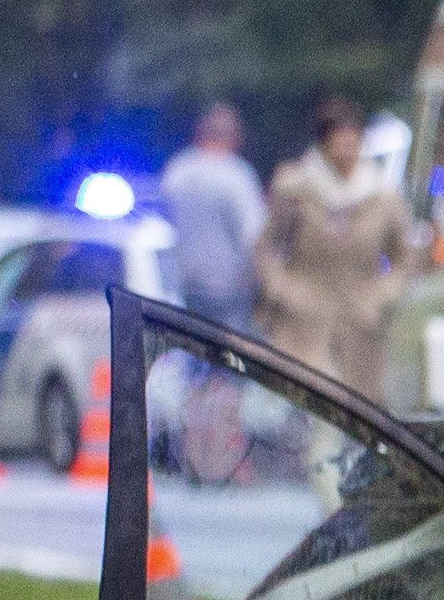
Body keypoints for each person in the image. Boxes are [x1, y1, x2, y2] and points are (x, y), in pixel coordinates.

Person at [256, 95, 412, 400]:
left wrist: (382, 296)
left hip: (360, 323)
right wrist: (284, 291)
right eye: (338, 138)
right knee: (306, 405)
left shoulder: (382, 195)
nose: (346, 146)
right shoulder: (296, 189)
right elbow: (266, 248)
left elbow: (403, 257)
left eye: (353, 137)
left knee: (362, 408)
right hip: (303, 322)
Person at [156, 103, 264, 328]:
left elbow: (162, 227)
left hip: (185, 286)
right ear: (235, 137)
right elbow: (253, 235)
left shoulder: (177, 171)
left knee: (191, 352)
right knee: (229, 358)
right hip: (230, 290)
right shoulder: (237, 175)